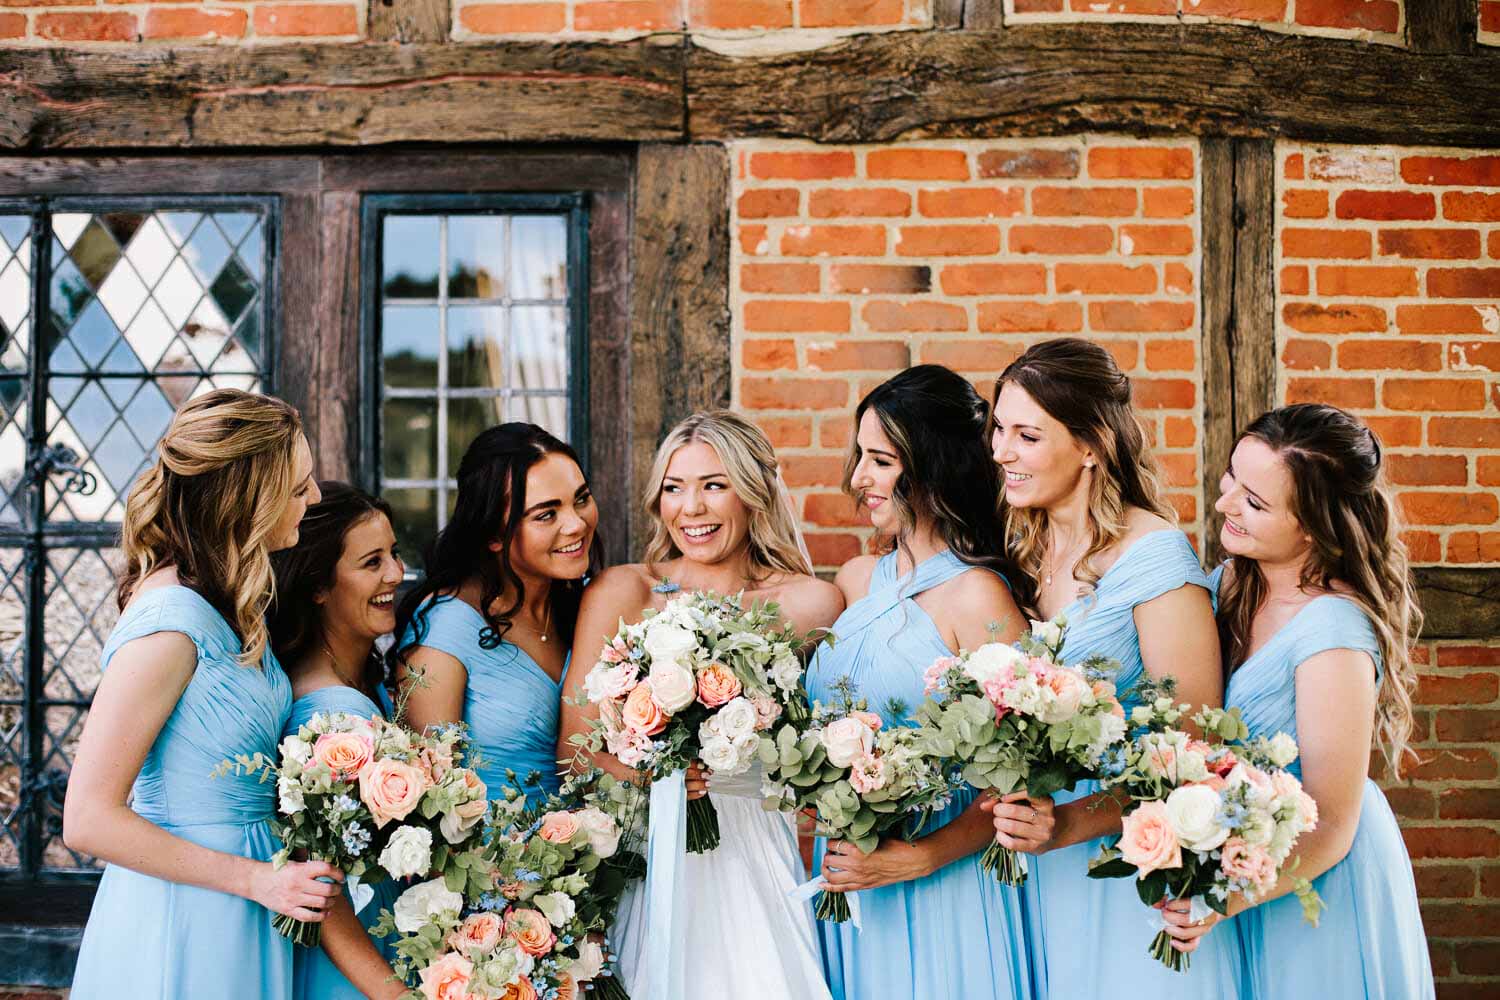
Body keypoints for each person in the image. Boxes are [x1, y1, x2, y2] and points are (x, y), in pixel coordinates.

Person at [64, 389, 341, 1000]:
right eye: (299, 486)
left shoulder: (227, 604)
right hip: (187, 912)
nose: (316, 498)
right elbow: (86, 819)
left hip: (248, 901)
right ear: (249, 499)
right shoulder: (169, 624)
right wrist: (254, 880)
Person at [984, 339, 1240, 998]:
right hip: (1039, 863)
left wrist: (1071, 823)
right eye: (998, 429)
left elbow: (1193, 747)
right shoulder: (1025, 548)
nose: (1001, 451)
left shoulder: (1155, 559)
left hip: (1127, 858)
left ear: (1092, 445)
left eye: (1027, 436)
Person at [558, 409, 844, 1000]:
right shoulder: (623, 590)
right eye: (674, 488)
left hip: (756, 855)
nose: (691, 508)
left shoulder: (811, 604)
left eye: (714, 485)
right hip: (648, 853)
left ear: (753, 491)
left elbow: (821, 752)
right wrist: (656, 777)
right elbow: (574, 750)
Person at [1173, 404, 1434, 998]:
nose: (1225, 503)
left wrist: (1218, 900)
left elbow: (1334, 823)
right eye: (1230, 478)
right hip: (1241, 862)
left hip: (1313, 880)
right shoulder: (1232, 582)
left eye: (1254, 502)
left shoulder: (1332, 631)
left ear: (1314, 526)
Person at [807, 366, 1034, 1000]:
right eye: (861, 456)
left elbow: (1021, 778)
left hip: (940, 881)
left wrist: (920, 857)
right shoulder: (856, 580)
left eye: (880, 461)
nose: (859, 477)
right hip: (846, 875)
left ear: (933, 468)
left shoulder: (978, 596)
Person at [390, 423, 601, 799]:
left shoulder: (589, 605)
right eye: (546, 515)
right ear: (492, 535)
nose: (576, 524)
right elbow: (430, 798)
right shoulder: (443, 628)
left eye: (581, 499)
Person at [269, 482, 407, 1000]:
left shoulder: (363, 686)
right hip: (355, 969)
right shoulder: (331, 716)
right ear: (319, 587)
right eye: (372, 562)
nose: (396, 573)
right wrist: (395, 995)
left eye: (393, 553)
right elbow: (322, 891)